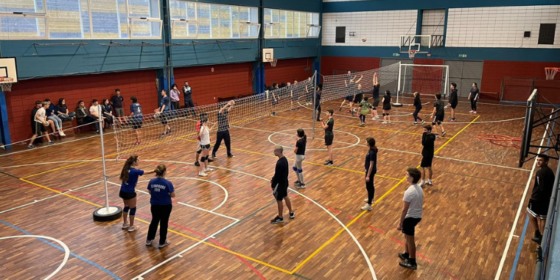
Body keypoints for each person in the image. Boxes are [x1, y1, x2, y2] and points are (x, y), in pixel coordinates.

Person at [397, 167, 424, 270]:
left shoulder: (409, 192)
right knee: (406, 237)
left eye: (407, 175)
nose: (405, 176)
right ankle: (406, 254)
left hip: (410, 218)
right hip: (417, 215)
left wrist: (400, 222)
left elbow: (405, 209)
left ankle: (412, 262)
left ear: (412, 178)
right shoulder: (419, 188)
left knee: (410, 239)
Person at [119, 155, 154, 232]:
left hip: (122, 191)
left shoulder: (126, 169)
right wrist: (155, 170)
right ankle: (131, 226)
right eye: (138, 160)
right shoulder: (135, 171)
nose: (139, 161)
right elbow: (146, 172)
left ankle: (125, 224)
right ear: (134, 162)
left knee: (126, 206)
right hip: (130, 192)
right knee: (133, 208)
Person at [527, 154, 555, 244]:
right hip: (546, 199)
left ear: (546, 162)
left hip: (538, 199)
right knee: (542, 217)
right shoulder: (549, 171)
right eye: (537, 160)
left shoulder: (540, 173)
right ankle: (542, 236)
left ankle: (538, 234)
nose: (538, 162)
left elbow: (542, 188)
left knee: (531, 213)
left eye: (540, 160)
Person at [146, 164, 175, 248]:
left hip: (154, 205)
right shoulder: (167, 183)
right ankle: (162, 242)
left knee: (154, 221)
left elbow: (150, 191)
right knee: (164, 223)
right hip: (165, 205)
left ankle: (149, 239)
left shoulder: (152, 181)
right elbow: (173, 195)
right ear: (164, 172)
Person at [270, 145, 295, 224]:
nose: (274, 152)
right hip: (285, 182)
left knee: (279, 199)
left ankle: (280, 217)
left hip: (280, 184)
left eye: (275, 151)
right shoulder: (285, 160)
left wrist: (273, 183)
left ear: (278, 152)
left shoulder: (279, 163)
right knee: (285, 196)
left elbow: (277, 175)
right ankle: (291, 212)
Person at [362, 137, 377, 211]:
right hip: (370, 171)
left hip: (370, 172)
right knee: (371, 186)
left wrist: (368, 175)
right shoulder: (371, 150)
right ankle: (371, 198)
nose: (365, 142)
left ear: (369, 143)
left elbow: (371, 165)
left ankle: (369, 205)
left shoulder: (371, 152)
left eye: (366, 141)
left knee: (369, 186)